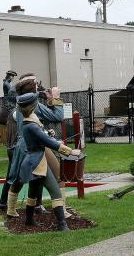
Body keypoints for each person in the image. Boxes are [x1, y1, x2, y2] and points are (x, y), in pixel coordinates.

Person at [9, 89, 81, 231]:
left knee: (33, 192)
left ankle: (29, 219)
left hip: (32, 161)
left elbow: (41, 135)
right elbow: (49, 142)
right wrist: (71, 151)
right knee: (55, 191)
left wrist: (47, 133)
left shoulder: (28, 121)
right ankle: (62, 224)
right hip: (37, 162)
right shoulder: (31, 125)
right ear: (34, 107)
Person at [0, 74, 63, 212]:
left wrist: (44, 131)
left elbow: (34, 123)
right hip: (34, 147)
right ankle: (62, 215)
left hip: (20, 146)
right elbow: (58, 116)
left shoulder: (20, 102)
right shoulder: (34, 105)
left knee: (18, 180)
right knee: (57, 178)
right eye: (35, 83)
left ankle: (12, 209)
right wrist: (55, 97)